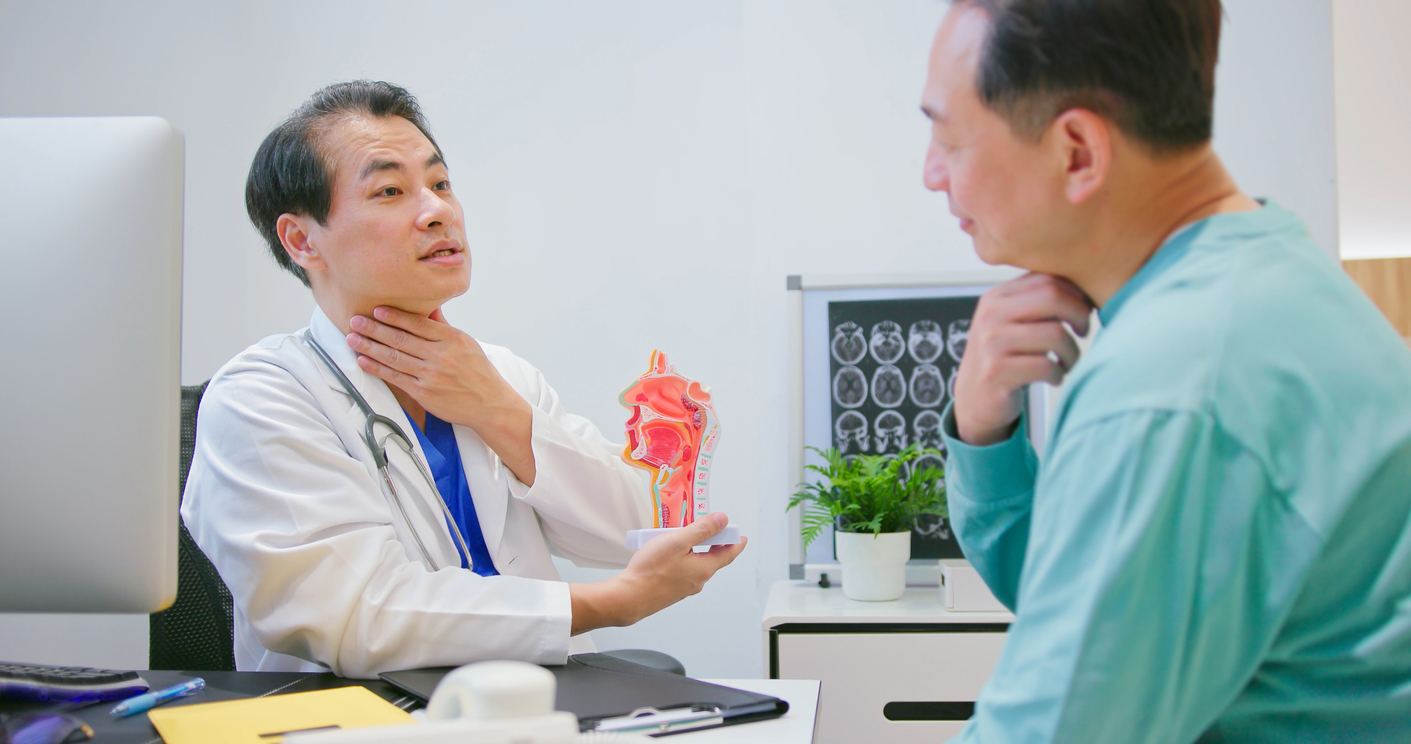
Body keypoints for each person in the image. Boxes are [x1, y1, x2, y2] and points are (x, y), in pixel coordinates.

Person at [923, 1, 1411, 741]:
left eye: (948, 137)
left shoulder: (1172, 385)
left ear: (1078, 151)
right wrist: (984, 435)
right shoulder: (1266, 271)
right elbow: (1110, 613)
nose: (930, 174)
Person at [182, 80, 745, 678]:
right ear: (302, 240)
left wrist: (497, 411)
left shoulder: (499, 376)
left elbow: (636, 526)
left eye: (441, 183)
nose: (438, 211)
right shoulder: (261, 398)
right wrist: (608, 603)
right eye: (391, 190)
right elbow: (356, 615)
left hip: (537, 709)